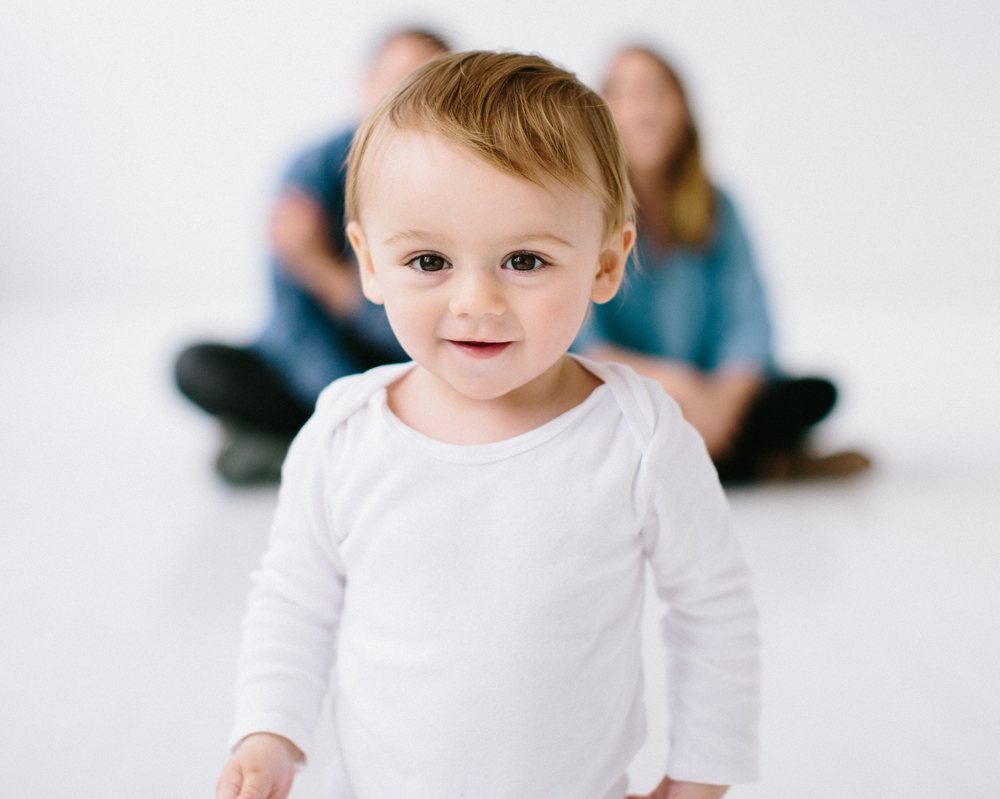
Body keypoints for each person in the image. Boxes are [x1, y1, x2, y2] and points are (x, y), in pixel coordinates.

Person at [216, 52, 760, 799]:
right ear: (369, 262)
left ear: (605, 264)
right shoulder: (345, 434)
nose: (476, 300)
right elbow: (295, 598)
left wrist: (701, 776)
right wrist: (270, 733)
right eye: (430, 259)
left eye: (525, 260)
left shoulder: (639, 436)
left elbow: (712, 608)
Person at [174, 28, 450, 484]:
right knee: (198, 364)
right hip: (323, 371)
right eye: (394, 79)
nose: (406, 97)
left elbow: (436, 326)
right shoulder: (310, 172)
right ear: (365, 86)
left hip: (406, 363)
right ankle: (344, 447)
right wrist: (347, 409)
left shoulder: (461, 182)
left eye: (427, 83)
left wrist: (327, 274)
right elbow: (291, 324)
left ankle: (296, 451)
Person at [584, 46, 870, 484]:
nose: (642, 107)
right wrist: (680, 386)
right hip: (632, 392)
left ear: (683, 109)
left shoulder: (720, 207)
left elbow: (750, 322)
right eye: (622, 93)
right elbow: (581, 342)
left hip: (712, 396)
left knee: (814, 393)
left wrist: (723, 402)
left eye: (655, 91)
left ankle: (696, 460)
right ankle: (759, 464)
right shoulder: (584, 209)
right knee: (585, 416)